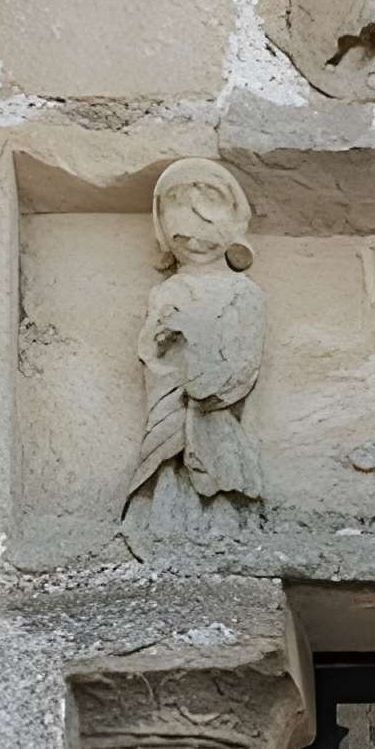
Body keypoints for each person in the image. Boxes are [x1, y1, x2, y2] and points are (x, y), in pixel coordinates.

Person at [127, 158, 265, 538]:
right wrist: (162, 341)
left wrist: (195, 341)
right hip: (170, 410)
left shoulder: (243, 293)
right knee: (168, 471)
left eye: (205, 233)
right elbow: (150, 356)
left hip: (215, 411)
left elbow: (244, 362)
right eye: (181, 238)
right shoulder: (166, 291)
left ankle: (225, 532)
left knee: (220, 471)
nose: (193, 243)